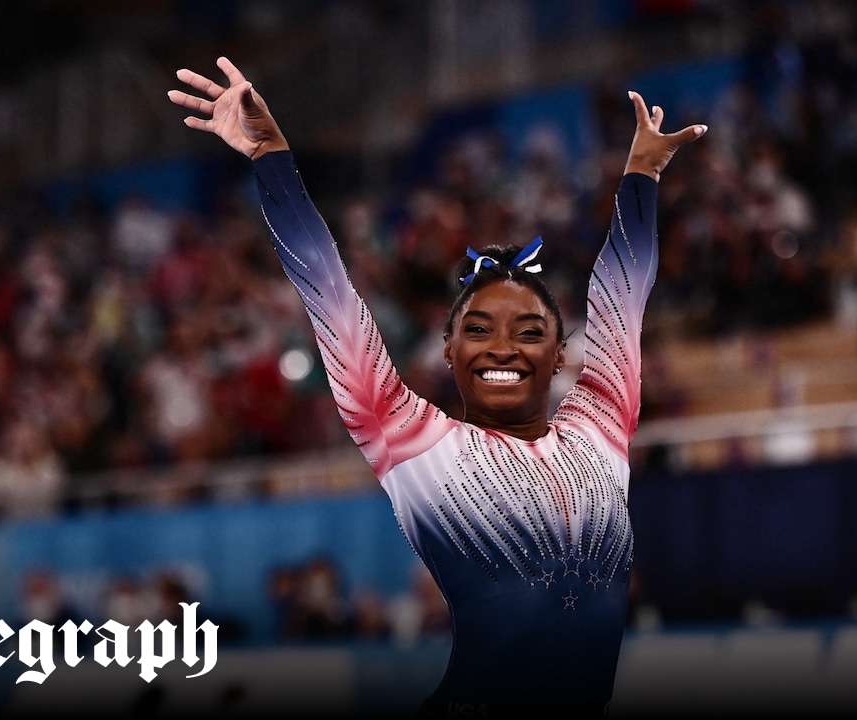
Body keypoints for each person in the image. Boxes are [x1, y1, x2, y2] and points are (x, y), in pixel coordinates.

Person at [169, 57, 705, 715]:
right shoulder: (417, 443)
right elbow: (330, 294)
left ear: (561, 352)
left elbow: (624, 291)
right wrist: (271, 155)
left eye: (529, 330)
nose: (503, 345)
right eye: (478, 329)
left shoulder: (602, 423)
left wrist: (642, 176)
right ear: (449, 353)